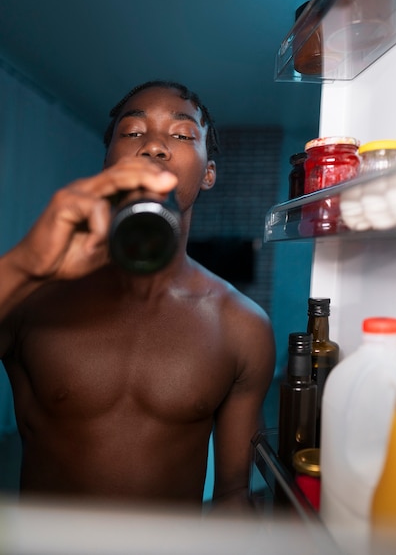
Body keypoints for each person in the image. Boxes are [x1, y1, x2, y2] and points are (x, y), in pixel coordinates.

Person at [0, 80, 276, 510]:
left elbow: (231, 496)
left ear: (208, 173)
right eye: (132, 132)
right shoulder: (30, 296)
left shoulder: (241, 325)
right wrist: (24, 263)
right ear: (108, 161)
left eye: (182, 135)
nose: (155, 146)